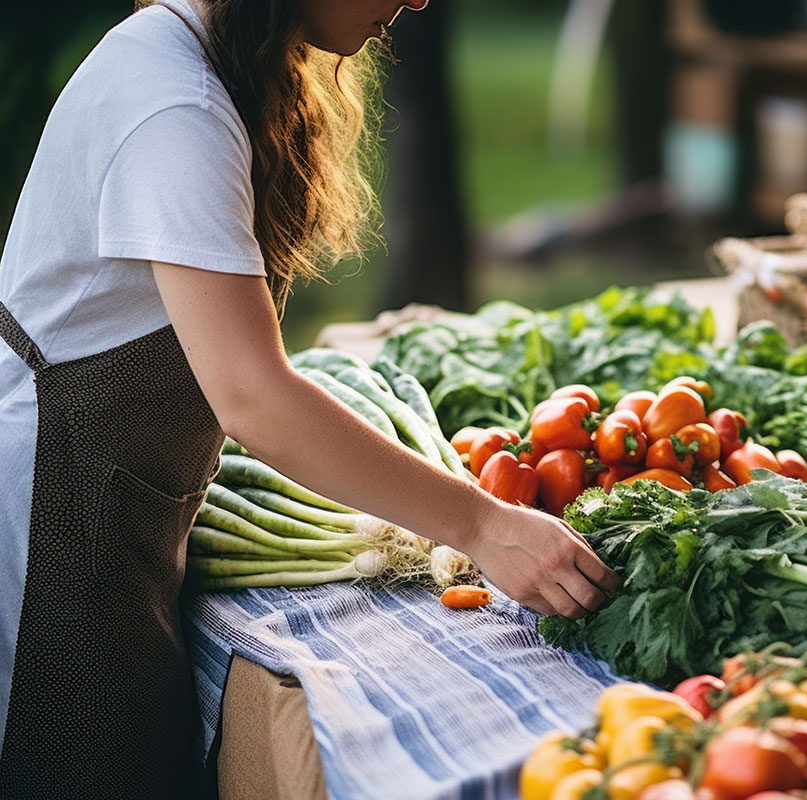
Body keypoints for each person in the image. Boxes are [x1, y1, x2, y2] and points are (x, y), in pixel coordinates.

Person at [0, 1, 619, 796]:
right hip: (49, 525)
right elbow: (255, 400)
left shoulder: (204, 62)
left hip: (108, 516)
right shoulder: (174, 108)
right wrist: (481, 523)